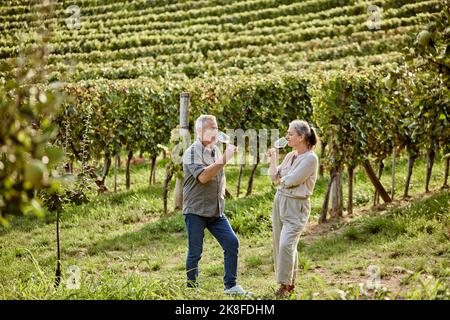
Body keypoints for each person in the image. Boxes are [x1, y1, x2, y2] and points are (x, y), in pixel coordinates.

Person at [182, 114, 251, 296]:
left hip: (215, 211)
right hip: (195, 211)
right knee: (195, 252)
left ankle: (231, 286)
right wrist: (225, 159)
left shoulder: (215, 151)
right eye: (211, 128)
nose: (215, 131)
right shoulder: (191, 152)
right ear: (199, 131)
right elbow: (203, 177)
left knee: (231, 243)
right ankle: (191, 290)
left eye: (216, 127)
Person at [267, 120, 319, 298]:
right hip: (280, 200)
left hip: (296, 205)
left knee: (286, 244)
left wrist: (283, 178)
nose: (287, 136)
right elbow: (274, 177)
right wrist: (273, 158)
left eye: (290, 133)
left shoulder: (311, 158)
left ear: (301, 137)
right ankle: (289, 284)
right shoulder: (290, 155)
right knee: (280, 243)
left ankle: (284, 284)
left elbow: (291, 181)